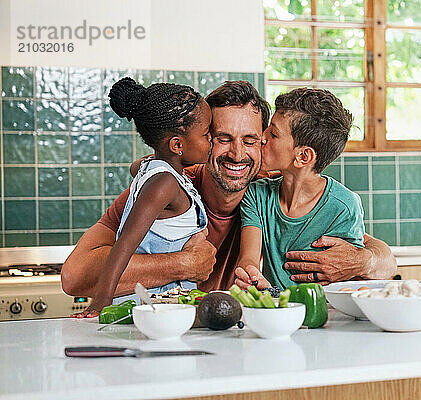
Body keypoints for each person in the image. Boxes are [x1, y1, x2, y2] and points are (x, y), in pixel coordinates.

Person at [60, 81, 397, 300]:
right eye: (222, 138)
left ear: (264, 145)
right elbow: (75, 276)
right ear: (200, 140)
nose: (237, 154)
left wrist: (362, 260)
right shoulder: (167, 189)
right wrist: (182, 264)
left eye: (250, 140)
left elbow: (382, 260)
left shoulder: (269, 196)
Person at [73, 77, 212, 317]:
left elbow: (135, 167)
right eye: (207, 133)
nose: (212, 139)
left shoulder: (156, 169)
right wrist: (102, 300)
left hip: (166, 308)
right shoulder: (164, 184)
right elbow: (125, 243)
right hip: (148, 307)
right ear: (177, 145)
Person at [234, 88, 364, 289]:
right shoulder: (257, 194)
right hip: (275, 311)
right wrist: (249, 274)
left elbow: (352, 276)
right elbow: (248, 258)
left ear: (303, 156)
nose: (262, 137)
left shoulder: (344, 207)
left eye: (274, 134)